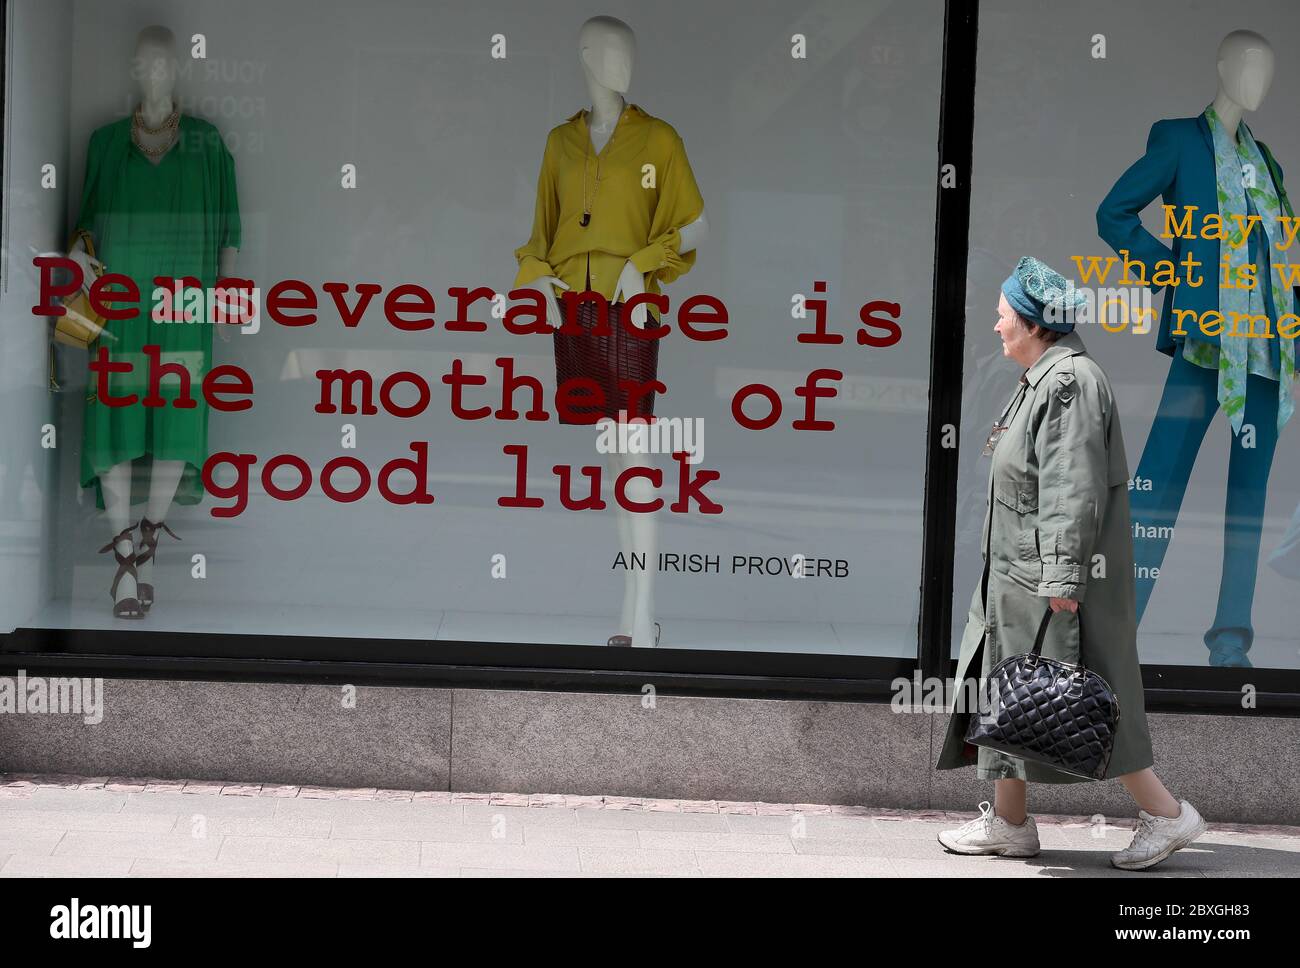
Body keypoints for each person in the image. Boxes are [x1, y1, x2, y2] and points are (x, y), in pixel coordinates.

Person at [934, 257, 1208, 871]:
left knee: (1083, 697)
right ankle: (1009, 823)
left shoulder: (1067, 384)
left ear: (1033, 324)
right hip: (1019, 572)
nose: (996, 323)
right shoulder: (1043, 376)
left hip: (1047, 577)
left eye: (1004, 314)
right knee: (1014, 691)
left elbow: (1070, 484)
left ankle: (1166, 814)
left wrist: (1061, 577)